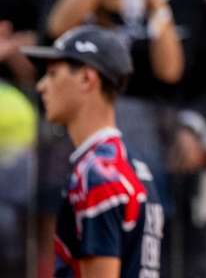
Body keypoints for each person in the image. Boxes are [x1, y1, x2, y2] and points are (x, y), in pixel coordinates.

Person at [24, 25, 165, 277]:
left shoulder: (97, 174)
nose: (41, 86)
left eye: (53, 73)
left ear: (87, 79)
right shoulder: (133, 165)